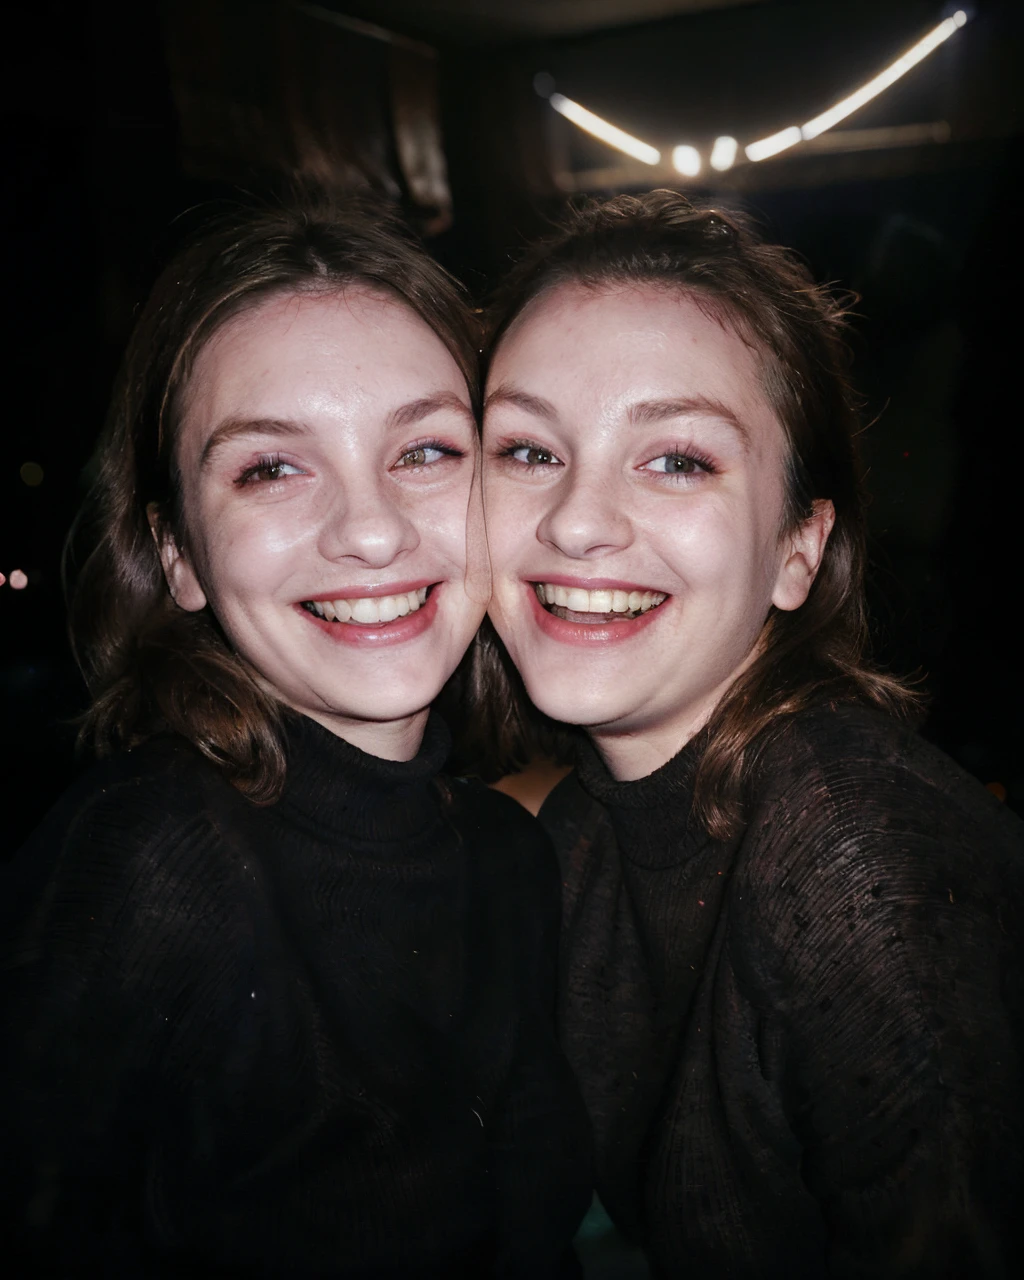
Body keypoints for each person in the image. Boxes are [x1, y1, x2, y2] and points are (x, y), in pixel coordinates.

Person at [0, 197, 590, 1278]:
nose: (367, 528)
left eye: (422, 448)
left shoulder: (508, 858)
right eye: (270, 466)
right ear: (177, 553)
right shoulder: (149, 861)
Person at [478, 189, 1024, 1279]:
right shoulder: (585, 826)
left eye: (678, 457)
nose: (577, 518)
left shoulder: (854, 860)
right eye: (530, 450)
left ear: (797, 549)